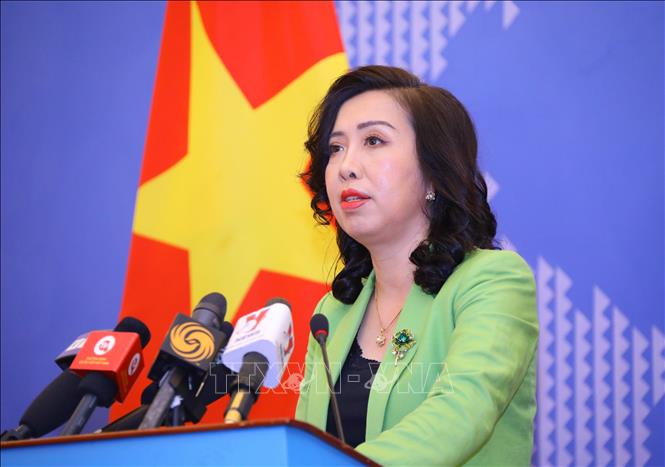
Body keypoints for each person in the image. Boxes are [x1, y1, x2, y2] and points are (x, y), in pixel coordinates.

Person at [295, 65, 538, 466]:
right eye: (335, 148)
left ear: (433, 175)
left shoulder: (492, 282)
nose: (345, 166)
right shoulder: (334, 313)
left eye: (373, 140)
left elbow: (459, 416)